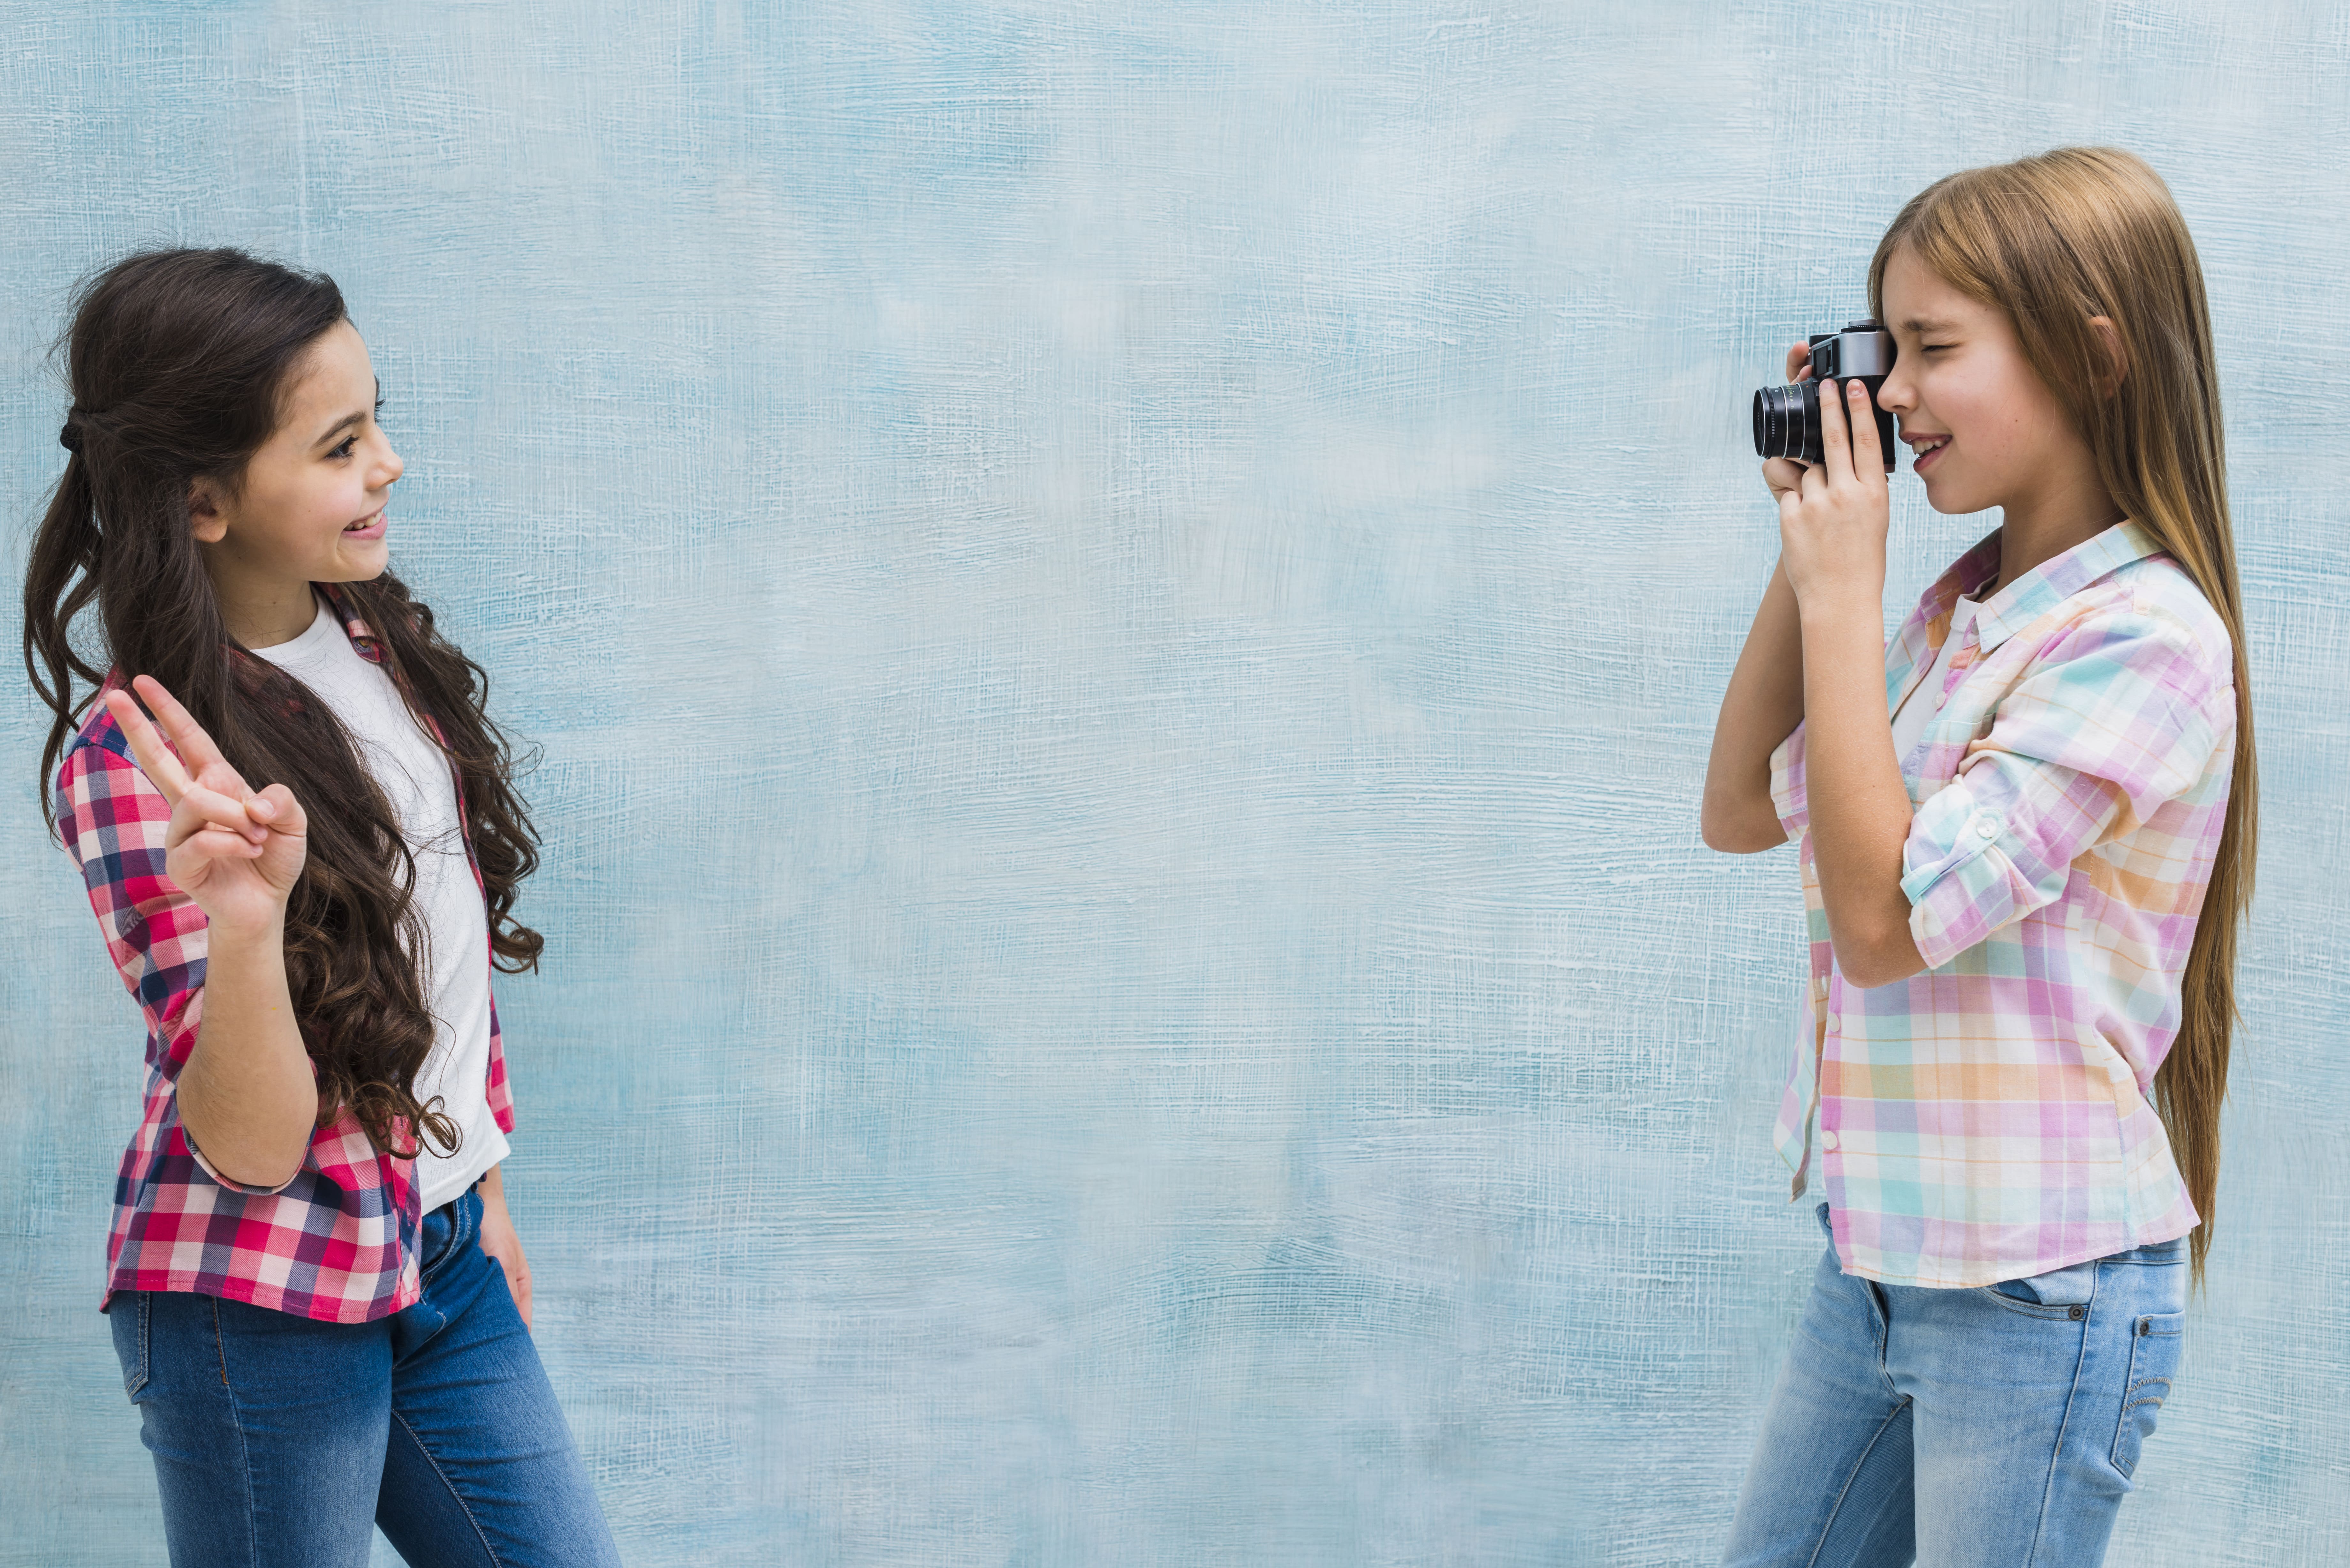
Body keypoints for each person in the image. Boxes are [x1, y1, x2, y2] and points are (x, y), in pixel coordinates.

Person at [24, 248, 621, 1567]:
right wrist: (247, 922)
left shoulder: (373, 640)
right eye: (341, 446)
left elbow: (440, 949)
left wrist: (480, 1187)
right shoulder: (143, 761)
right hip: (263, 1298)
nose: (389, 464)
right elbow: (252, 1147)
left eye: (376, 422)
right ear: (204, 502)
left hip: (438, 1251)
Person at [1701, 147, 2255, 1566]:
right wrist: (1809, 552)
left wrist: (1845, 589)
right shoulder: (1964, 613)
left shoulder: (2147, 638)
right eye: (1884, 354)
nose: (1892, 395)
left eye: (1933, 349)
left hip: (2035, 1293)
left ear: (2094, 355)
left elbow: (1884, 928)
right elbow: (1741, 805)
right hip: (1881, 1260)